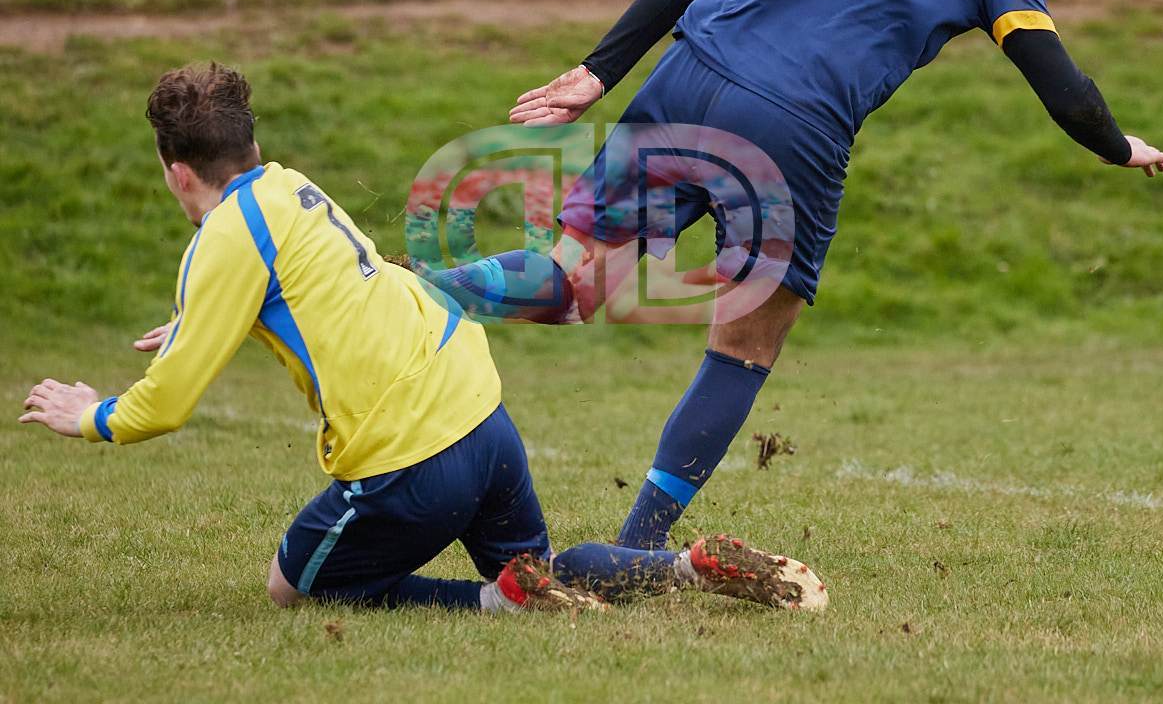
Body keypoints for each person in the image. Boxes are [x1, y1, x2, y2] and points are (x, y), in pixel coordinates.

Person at [408, 0, 1163, 552]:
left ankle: (399, 289)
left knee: (573, 284)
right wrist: (1119, 146)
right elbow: (1064, 89)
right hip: (790, 122)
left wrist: (597, 71)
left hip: (685, 75)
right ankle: (638, 544)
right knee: (745, 342)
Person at [18, 63, 826, 614]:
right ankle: (683, 566)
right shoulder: (293, 190)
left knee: (289, 589)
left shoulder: (222, 237)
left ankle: (488, 605)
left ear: (175, 171)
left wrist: (89, 415)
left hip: (411, 458)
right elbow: (342, 286)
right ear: (252, 146)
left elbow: (163, 406)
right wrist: (204, 320)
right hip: (483, 416)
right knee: (540, 571)